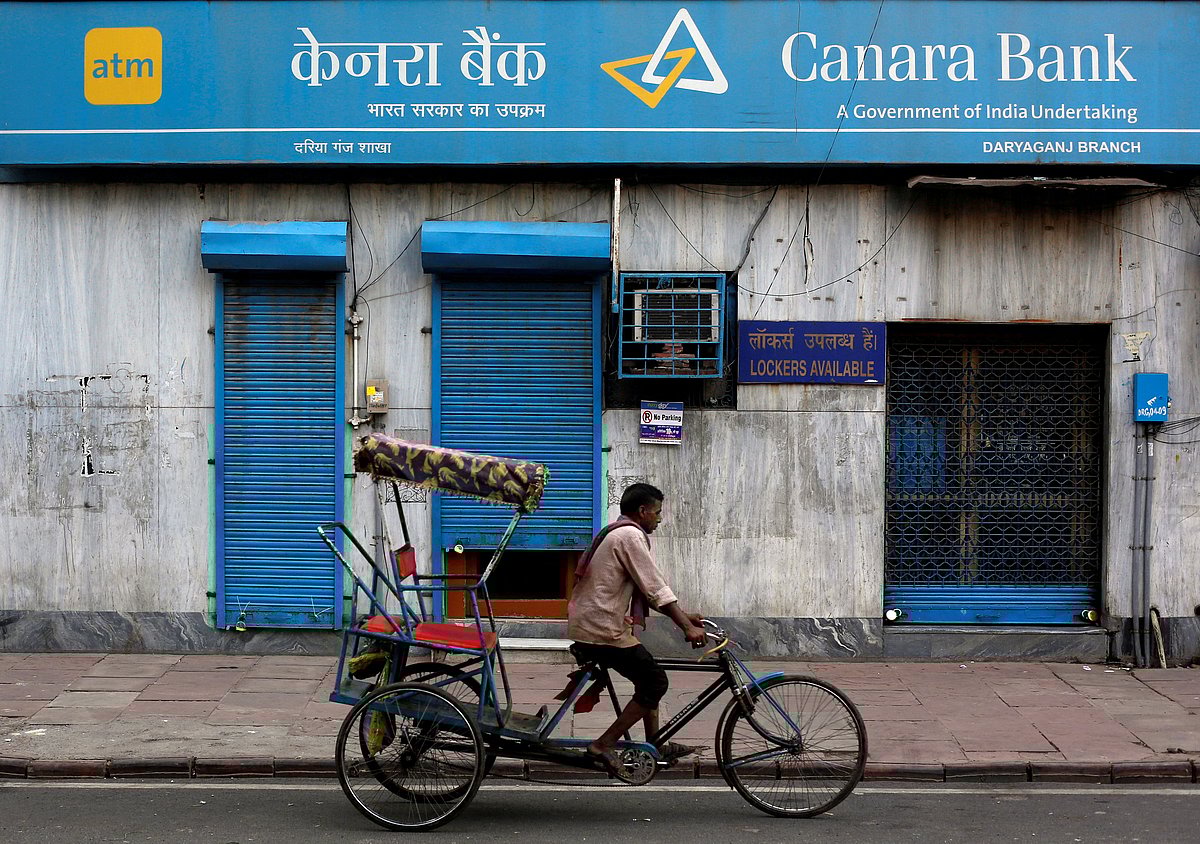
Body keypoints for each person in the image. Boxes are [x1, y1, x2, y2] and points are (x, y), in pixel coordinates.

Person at [566, 482, 706, 775]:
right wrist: (685, 627)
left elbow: (648, 589)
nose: (660, 518)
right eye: (657, 512)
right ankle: (603, 744)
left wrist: (684, 615)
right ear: (642, 511)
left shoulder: (619, 530)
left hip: (596, 621)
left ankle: (653, 744)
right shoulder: (630, 535)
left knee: (648, 677)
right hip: (601, 627)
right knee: (655, 681)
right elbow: (655, 586)